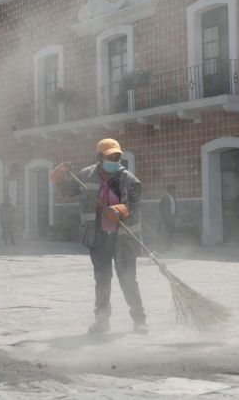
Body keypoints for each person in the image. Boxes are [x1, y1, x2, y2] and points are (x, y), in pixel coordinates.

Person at [51, 138, 148, 335]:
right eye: (110, 156)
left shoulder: (128, 179)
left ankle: (139, 320)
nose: (114, 159)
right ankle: (102, 321)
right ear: (99, 157)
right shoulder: (86, 175)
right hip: (98, 237)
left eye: (117, 156)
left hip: (123, 239)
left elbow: (135, 205)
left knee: (128, 280)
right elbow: (67, 191)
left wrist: (120, 210)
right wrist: (59, 176)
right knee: (102, 280)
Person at [159, 185, 177, 250]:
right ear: (169, 190)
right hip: (167, 218)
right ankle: (167, 246)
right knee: (167, 232)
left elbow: (174, 207)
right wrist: (165, 217)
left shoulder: (173, 197)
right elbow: (161, 207)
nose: (174, 191)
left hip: (172, 217)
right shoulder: (165, 198)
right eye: (173, 190)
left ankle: (170, 245)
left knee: (171, 232)